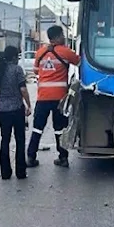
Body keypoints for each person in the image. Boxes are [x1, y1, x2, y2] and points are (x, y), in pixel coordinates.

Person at [27, 25, 80, 168]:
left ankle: (30, 157)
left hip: (42, 97)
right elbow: (79, 62)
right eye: (62, 35)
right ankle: (63, 158)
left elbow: (37, 71)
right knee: (59, 129)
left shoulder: (40, 53)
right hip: (59, 99)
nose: (64, 37)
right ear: (57, 37)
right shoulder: (66, 52)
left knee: (37, 128)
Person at [0, 46, 31, 180]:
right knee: (20, 140)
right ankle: (20, 172)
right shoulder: (17, 70)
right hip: (17, 109)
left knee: (5, 140)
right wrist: (29, 105)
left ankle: (5, 173)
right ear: (14, 57)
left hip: (2, 110)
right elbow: (23, 89)